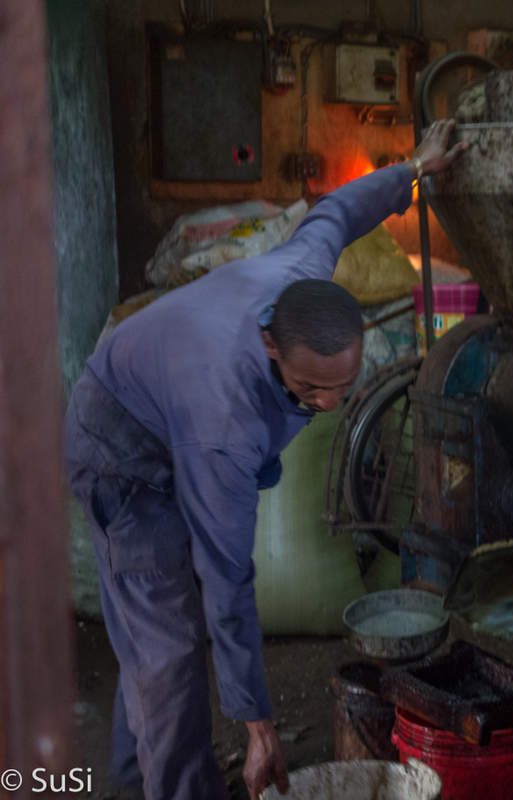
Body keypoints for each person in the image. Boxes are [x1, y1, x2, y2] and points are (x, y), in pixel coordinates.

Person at [63, 119, 468, 799]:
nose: (331, 405)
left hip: (160, 397)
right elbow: (228, 578)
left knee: (153, 625)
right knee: (170, 649)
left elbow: (338, 210)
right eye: (312, 392)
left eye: (344, 388)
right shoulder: (226, 421)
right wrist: (260, 730)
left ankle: (137, 782)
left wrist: (415, 170)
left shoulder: (303, 271)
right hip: (120, 454)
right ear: (271, 346)